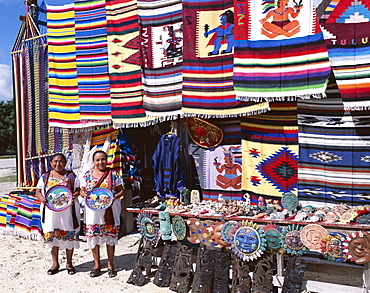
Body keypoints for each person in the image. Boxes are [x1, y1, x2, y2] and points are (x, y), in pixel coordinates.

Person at [80, 150, 124, 278]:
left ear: (107, 160)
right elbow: (82, 190)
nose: (100, 162)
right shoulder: (88, 175)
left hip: (109, 211)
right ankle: (97, 265)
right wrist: (85, 195)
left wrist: (114, 197)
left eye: (103, 159)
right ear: (93, 162)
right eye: (97, 160)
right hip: (93, 212)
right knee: (94, 237)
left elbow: (121, 190)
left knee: (110, 238)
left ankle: (111, 265)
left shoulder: (113, 174)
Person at [35, 153, 81, 275]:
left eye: (61, 161)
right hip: (51, 212)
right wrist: (42, 199)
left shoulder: (71, 176)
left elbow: (78, 189)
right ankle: (55, 263)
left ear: (65, 163)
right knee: (52, 234)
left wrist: (73, 196)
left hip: (68, 211)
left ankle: (69, 263)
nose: (58, 164)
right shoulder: (45, 177)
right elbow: (38, 191)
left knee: (68, 233)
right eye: (55, 161)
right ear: (51, 163)